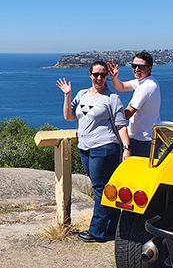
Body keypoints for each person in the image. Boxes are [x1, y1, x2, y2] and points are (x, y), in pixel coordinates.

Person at [56, 61, 130, 242]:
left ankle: (97, 232)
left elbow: (121, 125)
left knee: (99, 189)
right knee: (105, 188)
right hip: (85, 149)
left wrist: (127, 148)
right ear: (90, 74)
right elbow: (69, 117)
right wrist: (67, 96)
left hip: (105, 148)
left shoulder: (112, 98)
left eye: (103, 75)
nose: (99, 78)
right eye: (96, 74)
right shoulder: (82, 95)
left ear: (106, 77)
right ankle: (112, 228)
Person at [107, 51, 161, 157]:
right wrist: (114, 77)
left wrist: (106, 120)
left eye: (141, 67)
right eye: (134, 66)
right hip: (148, 138)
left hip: (142, 140)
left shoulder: (146, 87)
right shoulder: (144, 81)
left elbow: (128, 113)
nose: (136, 69)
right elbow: (121, 87)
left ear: (150, 68)